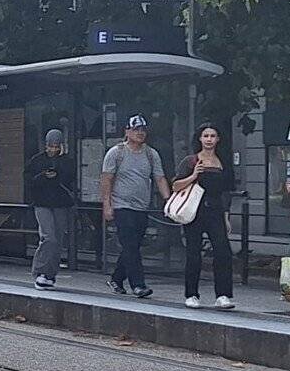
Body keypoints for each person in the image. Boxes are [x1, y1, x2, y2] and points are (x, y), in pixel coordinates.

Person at [100, 114, 171, 299]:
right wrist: (107, 205)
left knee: (133, 245)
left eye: (143, 130)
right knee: (129, 243)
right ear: (127, 131)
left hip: (141, 207)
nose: (140, 133)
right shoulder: (116, 153)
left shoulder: (151, 154)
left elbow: (159, 177)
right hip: (122, 205)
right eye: (136, 129)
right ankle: (138, 284)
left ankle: (116, 278)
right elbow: (106, 180)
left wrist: (169, 200)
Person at [173, 123, 235, 310]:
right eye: (205, 135)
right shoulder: (190, 161)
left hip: (215, 211)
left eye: (212, 136)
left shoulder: (222, 161)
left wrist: (226, 216)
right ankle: (191, 294)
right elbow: (175, 185)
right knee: (193, 253)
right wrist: (193, 176)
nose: (209, 139)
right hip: (194, 211)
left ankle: (223, 294)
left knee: (223, 251)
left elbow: (226, 192)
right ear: (199, 139)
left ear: (218, 139)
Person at [25, 129, 76, 290]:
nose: (53, 149)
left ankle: (50, 274)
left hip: (60, 203)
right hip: (42, 203)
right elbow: (28, 179)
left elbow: (71, 179)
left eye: (56, 146)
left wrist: (58, 175)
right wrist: (42, 176)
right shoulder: (37, 160)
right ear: (45, 145)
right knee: (48, 237)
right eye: (50, 146)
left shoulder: (67, 162)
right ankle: (40, 271)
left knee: (58, 239)